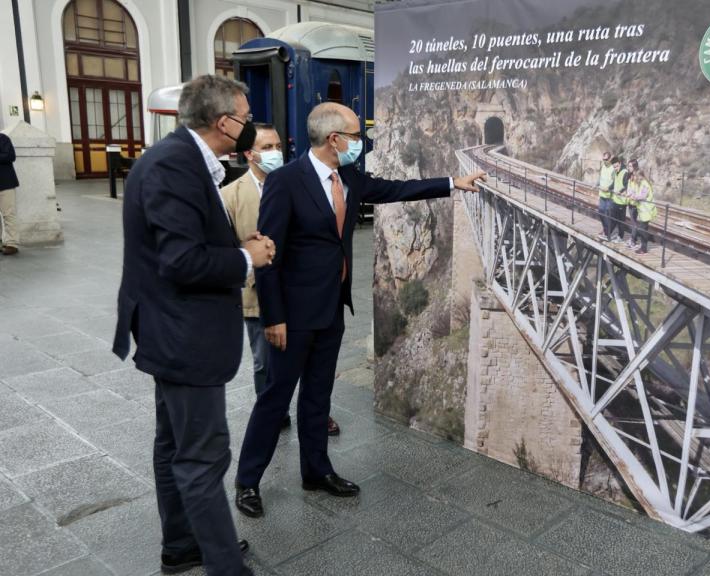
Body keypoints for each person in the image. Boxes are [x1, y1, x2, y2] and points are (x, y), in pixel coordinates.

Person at [234, 102, 487, 517]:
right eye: (355, 135)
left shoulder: (348, 175)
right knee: (275, 398)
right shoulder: (285, 182)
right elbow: (268, 256)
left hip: (331, 307)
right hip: (293, 316)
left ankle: (316, 469)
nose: (360, 142)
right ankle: (248, 481)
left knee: (318, 395)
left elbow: (393, 189)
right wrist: (273, 316)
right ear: (335, 139)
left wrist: (453, 183)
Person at [112, 74, 276, 576]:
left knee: (174, 444)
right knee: (203, 458)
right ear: (224, 122)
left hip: (172, 329)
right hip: (184, 334)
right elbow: (181, 261)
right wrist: (246, 258)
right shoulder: (173, 166)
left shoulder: (180, 159)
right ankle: (225, 567)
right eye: (246, 120)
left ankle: (181, 545)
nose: (249, 129)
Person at [220, 124, 342, 436]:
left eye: (278, 145)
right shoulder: (229, 197)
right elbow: (225, 251)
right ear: (250, 154)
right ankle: (274, 412)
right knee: (266, 365)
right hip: (257, 295)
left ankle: (315, 414)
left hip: (297, 296)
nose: (277, 152)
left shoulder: (295, 181)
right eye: (269, 147)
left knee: (308, 363)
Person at [0, 131, 19, 255]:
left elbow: (10, 156)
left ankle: (12, 243)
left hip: (5, 183)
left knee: (8, 214)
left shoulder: (3, 139)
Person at [632, 169, 658, 255]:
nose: (636, 178)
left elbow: (643, 196)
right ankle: (643, 248)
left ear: (641, 176)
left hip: (646, 211)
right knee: (642, 229)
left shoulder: (645, 184)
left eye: (637, 176)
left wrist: (635, 197)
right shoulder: (642, 183)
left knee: (641, 229)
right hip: (643, 211)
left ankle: (648, 239)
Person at [608, 157, 631, 243]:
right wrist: (609, 188)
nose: (615, 168)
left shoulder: (624, 172)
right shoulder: (616, 172)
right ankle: (608, 234)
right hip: (616, 199)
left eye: (616, 166)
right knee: (613, 218)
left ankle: (620, 237)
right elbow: (615, 183)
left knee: (621, 221)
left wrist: (620, 192)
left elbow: (626, 185)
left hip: (622, 201)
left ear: (620, 163)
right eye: (614, 167)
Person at [596, 152, 615, 239]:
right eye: (603, 159)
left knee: (607, 213)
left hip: (609, 196)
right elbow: (600, 177)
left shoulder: (613, 168)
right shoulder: (603, 166)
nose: (604, 161)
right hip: (602, 194)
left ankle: (608, 233)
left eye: (606, 159)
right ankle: (605, 229)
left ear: (610, 159)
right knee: (600, 212)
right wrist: (596, 184)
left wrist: (609, 188)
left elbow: (616, 182)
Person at [624, 159, 640, 248]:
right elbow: (629, 188)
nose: (629, 168)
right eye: (628, 166)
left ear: (634, 167)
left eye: (630, 166)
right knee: (633, 221)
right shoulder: (630, 176)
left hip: (635, 202)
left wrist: (632, 194)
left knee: (634, 222)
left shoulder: (637, 177)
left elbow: (638, 190)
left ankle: (633, 240)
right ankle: (633, 238)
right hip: (630, 201)